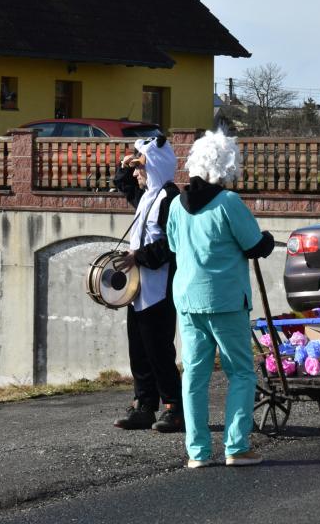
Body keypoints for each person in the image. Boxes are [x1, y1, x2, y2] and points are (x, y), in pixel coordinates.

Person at [166, 130, 274, 468]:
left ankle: (197, 452)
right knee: (240, 372)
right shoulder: (228, 202)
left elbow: (173, 246)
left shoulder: (176, 205)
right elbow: (254, 245)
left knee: (194, 375)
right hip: (225, 299)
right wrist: (268, 240)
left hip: (188, 299)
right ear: (227, 167)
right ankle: (236, 446)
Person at [112, 135, 184, 433]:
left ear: (153, 165)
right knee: (139, 349)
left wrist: (138, 256)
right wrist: (124, 164)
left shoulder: (170, 198)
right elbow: (123, 183)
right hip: (139, 287)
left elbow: (172, 245)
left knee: (159, 350)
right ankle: (144, 404)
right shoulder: (147, 195)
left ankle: (174, 408)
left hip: (160, 287)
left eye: (140, 167)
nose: (135, 174)